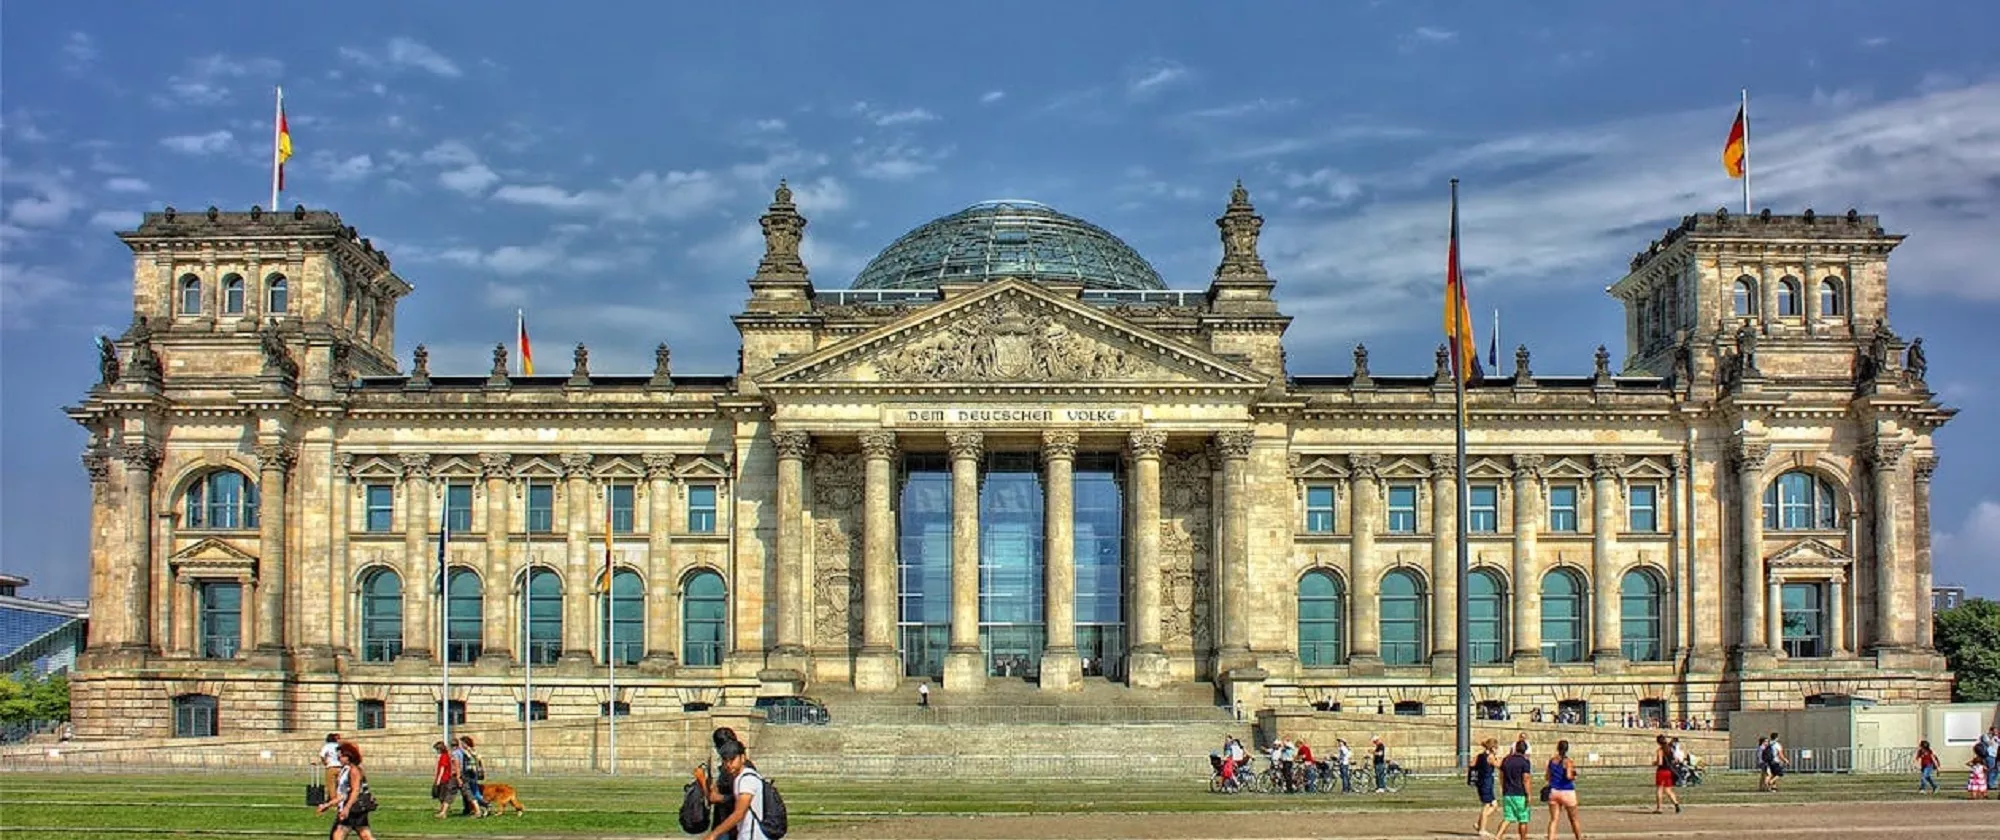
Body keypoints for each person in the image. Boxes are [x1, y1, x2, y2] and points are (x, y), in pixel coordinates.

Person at [702, 738, 766, 840]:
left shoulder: (747, 779)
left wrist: (714, 834)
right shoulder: (739, 778)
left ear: (742, 758)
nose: (728, 764)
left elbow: (739, 813)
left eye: (732, 760)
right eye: (725, 760)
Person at [316, 740, 377, 840]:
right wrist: (327, 805)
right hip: (352, 807)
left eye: (341, 756)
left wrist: (346, 808)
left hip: (354, 808)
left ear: (349, 756)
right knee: (365, 835)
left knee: (337, 835)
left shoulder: (354, 771)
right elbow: (343, 794)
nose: (339, 758)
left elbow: (355, 791)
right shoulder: (344, 769)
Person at [1545, 739, 1581, 840]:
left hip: (1554, 791)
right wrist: (1574, 775)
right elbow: (1569, 776)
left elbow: (1547, 776)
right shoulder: (1568, 761)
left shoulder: (1552, 761)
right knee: (1574, 819)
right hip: (1567, 790)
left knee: (1553, 820)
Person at [1498, 740, 1534, 840]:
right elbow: (1525, 779)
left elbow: (1501, 775)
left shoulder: (1506, 760)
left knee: (1508, 818)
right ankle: (1523, 838)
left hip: (1508, 793)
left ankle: (1498, 836)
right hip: (1520, 793)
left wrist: (1503, 787)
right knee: (1523, 819)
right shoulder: (1525, 762)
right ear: (1525, 750)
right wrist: (1528, 794)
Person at [1469, 737, 1499, 838]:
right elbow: (1499, 765)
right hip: (1486, 783)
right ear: (1493, 747)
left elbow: (1472, 764)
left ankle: (1479, 823)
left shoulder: (1479, 756)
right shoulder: (1489, 756)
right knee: (1486, 806)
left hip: (1483, 782)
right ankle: (1482, 829)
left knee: (1494, 805)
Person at [457, 735, 491, 817]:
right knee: (476, 792)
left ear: (466, 743)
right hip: (471, 775)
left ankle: (485, 805)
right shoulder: (469, 750)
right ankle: (485, 806)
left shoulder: (470, 751)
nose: (461, 745)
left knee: (472, 794)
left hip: (470, 774)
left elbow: (472, 759)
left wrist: (466, 752)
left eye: (462, 743)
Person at [1653, 734, 1682, 814]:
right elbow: (1675, 760)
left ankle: (1659, 808)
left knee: (1659, 789)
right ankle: (1676, 804)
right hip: (1669, 771)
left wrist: (1654, 763)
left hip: (1661, 771)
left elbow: (1660, 762)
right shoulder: (1670, 749)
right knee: (1668, 790)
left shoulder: (1660, 750)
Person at [431, 740, 459, 818]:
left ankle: (444, 811)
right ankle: (443, 809)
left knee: (442, 795)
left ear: (440, 749)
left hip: (444, 778)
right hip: (443, 778)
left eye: (437, 749)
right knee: (441, 795)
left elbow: (443, 769)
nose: (436, 751)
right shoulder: (445, 755)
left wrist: (438, 780)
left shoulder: (444, 756)